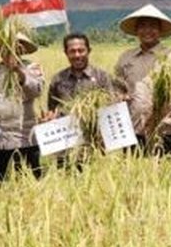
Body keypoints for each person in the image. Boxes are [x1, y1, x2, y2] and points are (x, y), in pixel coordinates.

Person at [0, 32, 45, 181]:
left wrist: (18, 70)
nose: (9, 51)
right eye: (3, 46)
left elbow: (36, 90)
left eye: (13, 46)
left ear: (21, 48)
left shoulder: (32, 68)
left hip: (25, 138)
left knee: (28, 182)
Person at [47, 32, 124, 167]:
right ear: (66, 53)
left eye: (81, 50)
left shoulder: (102, 77)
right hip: (66, 145)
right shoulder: (58, 79)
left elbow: (111, 108)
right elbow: (52, 109)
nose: (77, 55)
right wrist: (48, 119)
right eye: (72, 51)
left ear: (88, 51)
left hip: (95, 145)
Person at [114, 4, 171, 148]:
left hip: (167, 129)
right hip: (134, 127)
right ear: (136, 30)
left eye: (152, 26)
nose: (147, 31)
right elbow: (117, 88)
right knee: (134, 168)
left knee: (168, 169)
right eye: (142, 26)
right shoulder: (126, 58)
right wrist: (119, 96)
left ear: (160, 30)